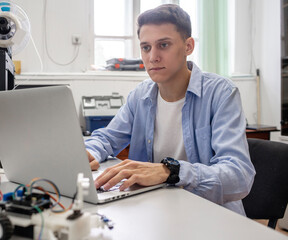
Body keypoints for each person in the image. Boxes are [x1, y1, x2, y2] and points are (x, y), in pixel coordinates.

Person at [85, 4, 255, 215]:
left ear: (188, 46)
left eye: (163, 45)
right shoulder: (140, 96)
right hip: (156, 212)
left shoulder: (221, 93)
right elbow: (107, 138)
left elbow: (239, 176)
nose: (152, 57)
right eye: (146, 47)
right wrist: (88, 152)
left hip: (210, 215)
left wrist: (171, 171)